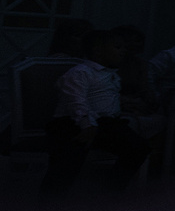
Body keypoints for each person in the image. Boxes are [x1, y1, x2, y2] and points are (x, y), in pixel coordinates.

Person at [44, 29, 162, 192]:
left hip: (105, 123)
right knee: (71, 153)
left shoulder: (110, 74)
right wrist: (87, 124)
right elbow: (76, 100)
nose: (123, 51)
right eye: (117, 47)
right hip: (72, 123)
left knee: (139, 147)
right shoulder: (81, 72)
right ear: (98, 50)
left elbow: (105, 101)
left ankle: (111, 191)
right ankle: (52, 197)